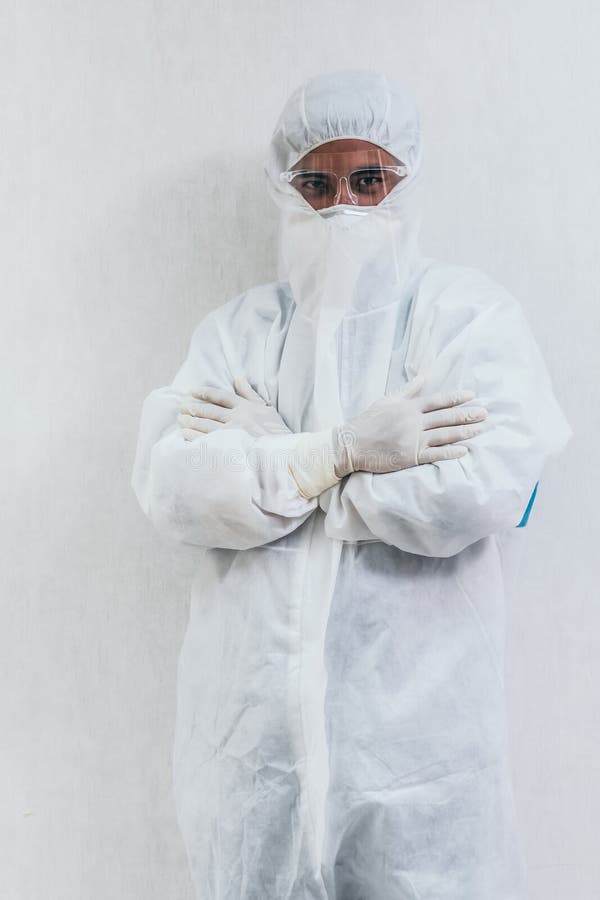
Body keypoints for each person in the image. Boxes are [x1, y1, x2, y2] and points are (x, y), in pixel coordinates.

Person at [131, 70, 572, 900]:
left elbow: (488, 491)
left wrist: (285, 468)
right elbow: (173, 488)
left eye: (370, 180)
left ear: (406, 183)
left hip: (421, 760)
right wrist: (343, 451)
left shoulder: (465, 319)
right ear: (284, 190)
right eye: (317, 183)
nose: (343, 207)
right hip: (252, 760)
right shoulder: (237, 336)